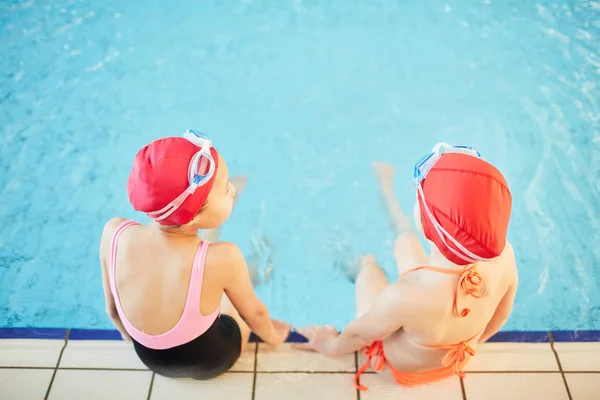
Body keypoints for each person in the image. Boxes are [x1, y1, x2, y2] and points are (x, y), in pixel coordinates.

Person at [295, 143, 517, 390]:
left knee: (369, 267)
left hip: (405, 370)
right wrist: (470, 343)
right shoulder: (504, 256)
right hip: (454, 357)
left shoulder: (403, 296)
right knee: (406, 243)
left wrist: (329, 346)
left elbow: (359, 335)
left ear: (423, 222)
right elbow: (501, 314)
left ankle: (366, 249)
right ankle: (387, 196)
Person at [99, 130, 290, 379]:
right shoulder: (225, 257)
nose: (231, 190)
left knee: (203, 272)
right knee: (230, 292)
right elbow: (256, 315)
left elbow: (112, 311)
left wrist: (132, 340)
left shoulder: (114, 233)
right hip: (213, 360)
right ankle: (243, 263)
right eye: (225, 190)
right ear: (195, 216)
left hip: (149, 360)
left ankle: (201, 245)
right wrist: (277, 338)